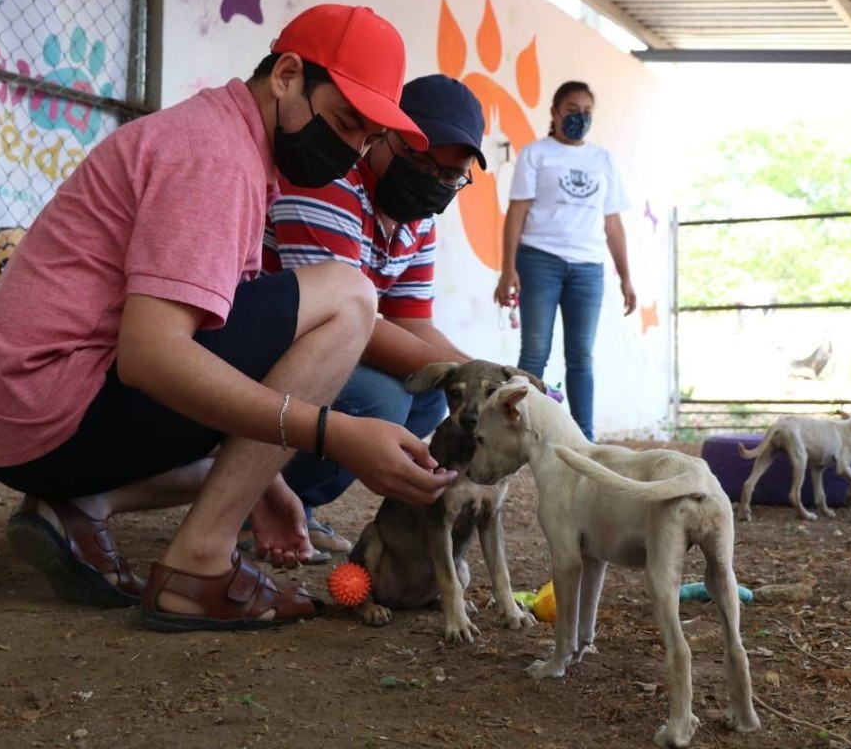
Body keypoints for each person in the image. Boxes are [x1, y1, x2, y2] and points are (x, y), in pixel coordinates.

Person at [0, 4, 457, 633]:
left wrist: (266, 485)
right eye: (343, 122)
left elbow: (211, 340)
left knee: (240, 444)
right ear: (286, 75)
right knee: (349, 297)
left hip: (28, 418)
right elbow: (153, 354)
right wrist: (331, 433)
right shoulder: (215, 156)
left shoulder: (233, 145)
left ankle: (79, 506)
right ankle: (199, 564)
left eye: (365, 137)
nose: (350, 149)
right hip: (49, 408)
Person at [258, 74, 485, 555]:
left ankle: (295, 504)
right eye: (418, 159)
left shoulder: (415, 220)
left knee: (429, 399)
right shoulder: (328, 184)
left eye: (449, 176)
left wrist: (494, 379)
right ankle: (250, 500)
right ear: (383, 132)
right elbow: (340, 319)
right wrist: (472, 378)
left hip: (318, 346)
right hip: (260, 346)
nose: (431, 180)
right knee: (384, 398)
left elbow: (411, 321)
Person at [494, 80, 636, 442]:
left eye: (587, 112)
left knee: (581, 357)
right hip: (539, 259)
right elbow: (518, 211)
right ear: (555, 113)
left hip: (588, 268)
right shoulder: (536, 153)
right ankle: (519, 434)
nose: (580, 118)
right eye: (572, 110)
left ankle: (584, 439)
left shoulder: (603, 159)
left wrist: (626, 278)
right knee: (535, 351)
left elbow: (613, 222)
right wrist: (507, 268)